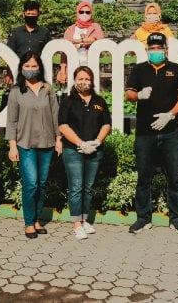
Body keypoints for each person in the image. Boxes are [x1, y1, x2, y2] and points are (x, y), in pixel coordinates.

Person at [125, 32, 178, 234]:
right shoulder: (139, 70)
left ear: (165, 50)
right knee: (144, 178)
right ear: (147, 50)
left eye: (159, 48)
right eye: (152, 48)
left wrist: (170, 115)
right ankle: (143, 218)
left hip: (171, 131)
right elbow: (129, 94)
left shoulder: (176, 70)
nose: (155, 51)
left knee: (174, 177)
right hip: (145, 132)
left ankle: (176, 218)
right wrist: (139, 95)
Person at [5, 51, 62, 239]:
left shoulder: (48, 88)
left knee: (42, 184)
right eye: (27, 66)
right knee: (31, 184)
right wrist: (12, 146)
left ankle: (37, 220)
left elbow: (56, 116)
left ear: (40, 68)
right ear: (22, 68)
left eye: (34, 66)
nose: (30, 69)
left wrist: (59, 139)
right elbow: (12, 121)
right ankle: (29, 223)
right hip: (25, 143)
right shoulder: (16, 91)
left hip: (46, 143)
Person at [58, 66, 112, 240]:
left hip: (94, 151)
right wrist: (80, 143)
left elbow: (106, 124)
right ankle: (76, 224)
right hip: (73, 150)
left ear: (92, 80)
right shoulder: (68, 101)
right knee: (76, 187)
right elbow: (63, 126)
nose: (84, 82)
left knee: (88, 188)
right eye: (80, 79)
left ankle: (84, 219)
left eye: (87, 79)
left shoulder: (99, 101)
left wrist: (97, 142)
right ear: (74, 81)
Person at [7, 0, 67, 84]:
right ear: (24, 14)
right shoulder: (16, 32)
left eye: (33, 14)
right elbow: (10, 52)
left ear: (38, 14)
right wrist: (9, 73)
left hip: (39, 73)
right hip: (19, 72)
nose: (31, 16)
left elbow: (49, 53)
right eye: (28, 14)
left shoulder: (44, 32)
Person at [63, 1, 105, 66]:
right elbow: (64, 50)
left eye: (87, 12)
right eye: (81, 12)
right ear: (77, 13)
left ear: (91, 14)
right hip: (72, 65)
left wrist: (76, 41)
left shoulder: (95, 26)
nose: (84, 14)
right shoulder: (70, 29)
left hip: (90, 65)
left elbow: (96, 39)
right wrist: (63, 69)